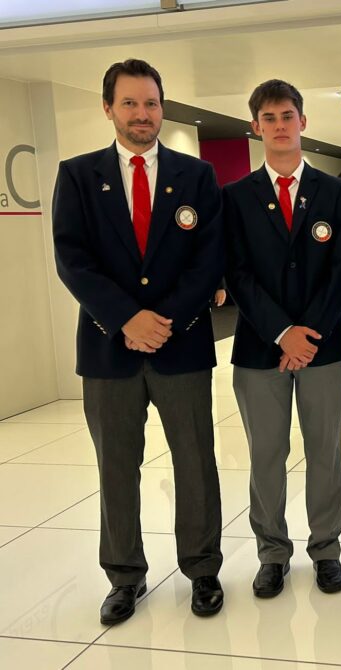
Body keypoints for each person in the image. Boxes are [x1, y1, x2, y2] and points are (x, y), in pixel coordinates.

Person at [52, 58, 224, 624]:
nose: (142, 114)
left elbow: (206, 263)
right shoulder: (78, 175)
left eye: (151, 103)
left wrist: (163, 319)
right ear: (108, 108)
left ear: (161, 107)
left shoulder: (196, 176)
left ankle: (202, 570)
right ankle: (125, 576)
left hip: (182, 345)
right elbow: (73, 260)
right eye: (129, 103)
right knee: (115, 467)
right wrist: (126, 318)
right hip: (108, 351)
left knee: (195, 461)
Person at [223, 79, 341, 598]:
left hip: (323, 347)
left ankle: (327, 551)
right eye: (269, 118)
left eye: (287, 116)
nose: (280, 126)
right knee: (266, 454)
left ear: (303, 122)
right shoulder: (235, 197)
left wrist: (307, 335)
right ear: (256, 127)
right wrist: (282, 332)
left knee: (326, 452)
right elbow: (236, 272)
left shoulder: (335, 192)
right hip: (260, 347)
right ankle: (272, 553)